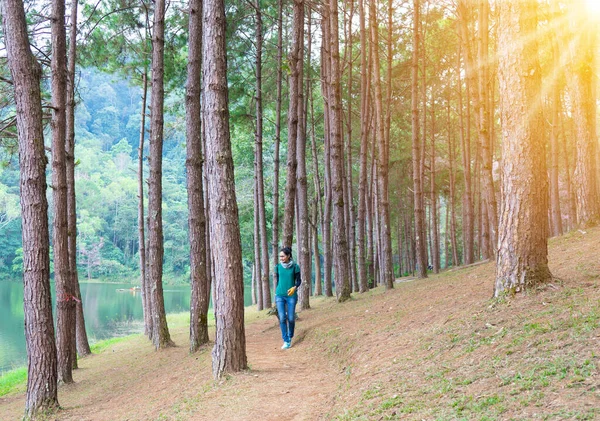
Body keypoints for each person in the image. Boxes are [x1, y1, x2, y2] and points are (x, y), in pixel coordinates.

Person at [274, 246, 301, 349]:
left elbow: (299, 281)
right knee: (282, 317)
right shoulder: (277, 267)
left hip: (291, 296)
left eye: (283, 256)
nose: (281, 258)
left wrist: (294, 288)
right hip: (280, 295)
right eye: (280, 256)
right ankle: (286, 340)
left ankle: (290, 336)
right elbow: (277, 281)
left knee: (290, 318)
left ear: (289, 256)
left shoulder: (295, 267)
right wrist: (276, 294)